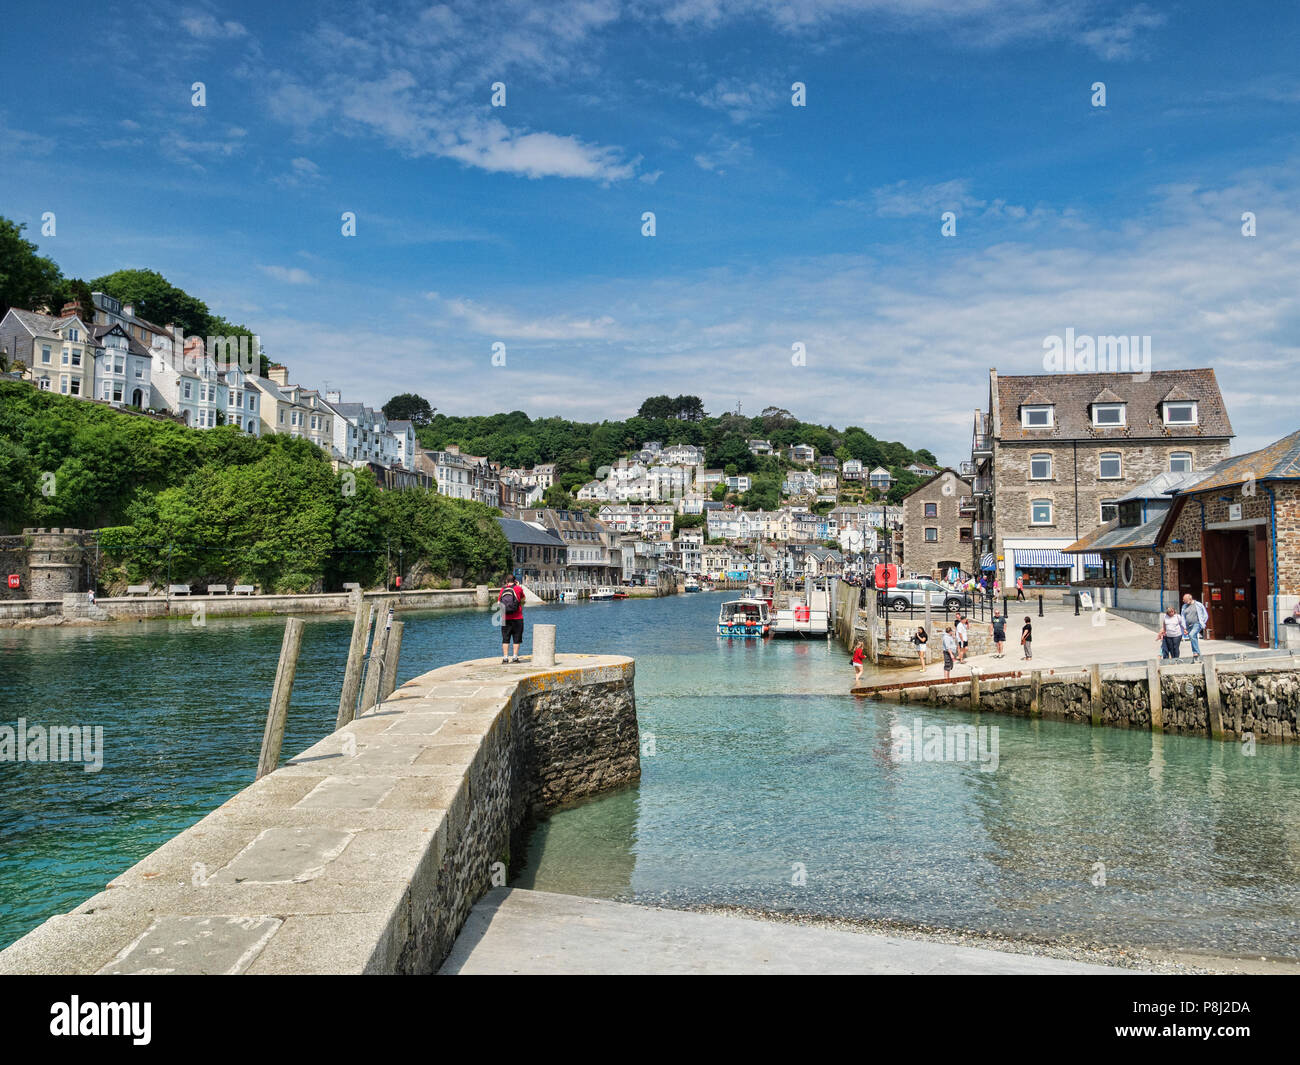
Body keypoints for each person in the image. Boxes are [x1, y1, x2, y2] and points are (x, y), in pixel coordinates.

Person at [498, 576, 525, 663]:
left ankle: (505, 658)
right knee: (516, 638)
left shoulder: (503, 590)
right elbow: (523, 599)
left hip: (505, 618)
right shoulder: (518, 588)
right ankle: (515, 657)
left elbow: (499, 602)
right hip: (517, 617)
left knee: (505, 638)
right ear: (515, 581)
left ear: (506, 581)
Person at [1181, 592, 1208, 662]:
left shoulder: (1198, 605)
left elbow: (1205, 614)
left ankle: (1195, 652)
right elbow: (1182, 617)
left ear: (1190, 599)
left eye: (1185, 600)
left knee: (1192, 635)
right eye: (1184, 600)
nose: (1184, 602)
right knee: (1193, 638)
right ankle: (1198, 655)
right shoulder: (1184, 606)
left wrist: (1202, 623)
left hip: (1197, 624)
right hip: (1188, 625)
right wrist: (1184, 628)